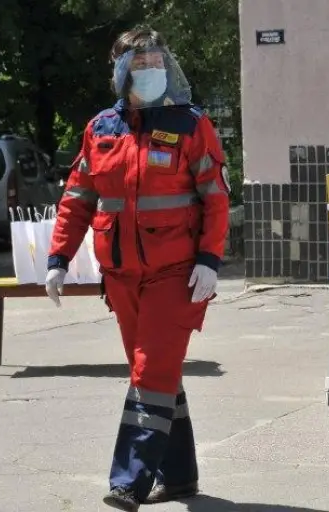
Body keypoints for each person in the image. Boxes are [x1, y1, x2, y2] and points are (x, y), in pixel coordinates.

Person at [44, 26, 230, 511]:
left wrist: (210, 260)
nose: (151, 71)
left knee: (150, 372)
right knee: (157, 375)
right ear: (121, 71)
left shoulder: (191, 124)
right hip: (122, 275)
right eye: (140, 64)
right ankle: (181, 478)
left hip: (177, 273)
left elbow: (215, 197)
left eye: (157, 62)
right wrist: (58, 258)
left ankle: (129, 481)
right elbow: (78, 198)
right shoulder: (101, 128)